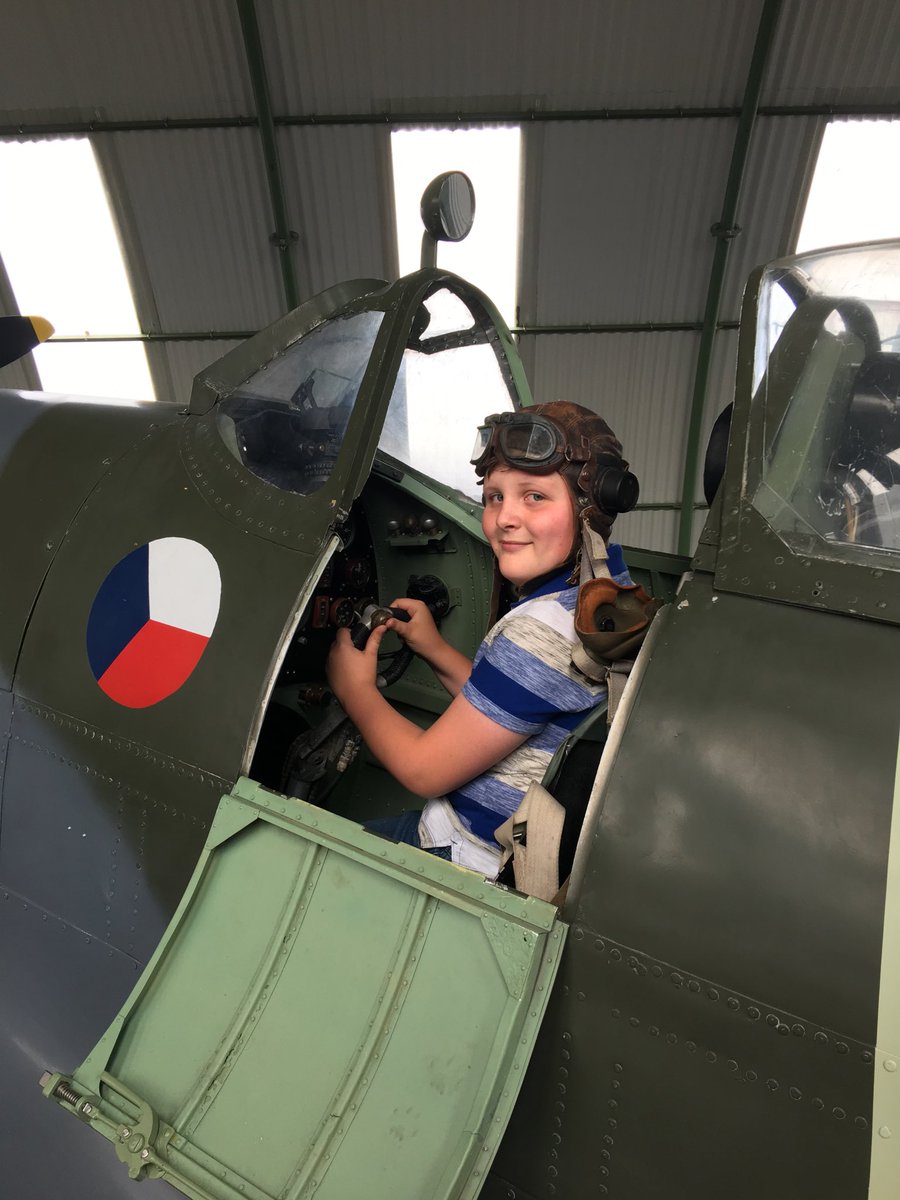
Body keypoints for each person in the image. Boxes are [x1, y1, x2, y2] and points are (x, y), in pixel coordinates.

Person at [326, 401, 636, 876]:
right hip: (505, 845)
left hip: (464, 854)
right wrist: (432, 647)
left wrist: (355, 690)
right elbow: (510, 707)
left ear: (589, 509)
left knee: (317, 850)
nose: (506, 517)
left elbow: (422, 770)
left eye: (534, 496)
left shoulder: (537, 631)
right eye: (495, 497)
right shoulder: (601, 595)